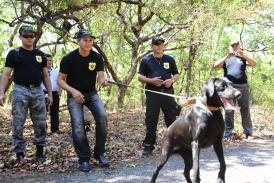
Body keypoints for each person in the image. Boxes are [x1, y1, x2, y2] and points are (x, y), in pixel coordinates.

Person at [57, 29, 111, 172]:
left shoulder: (97, 57)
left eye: (90, 40)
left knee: (103, 118)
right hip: (74, 95)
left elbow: (101, 78)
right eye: (85, 40)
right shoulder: (68, 59)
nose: (88, 43)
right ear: (78, 41)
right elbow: (60, 81)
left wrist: (105, 81)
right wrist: (74, 92)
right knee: (78, 125)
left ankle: (99, 153)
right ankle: (84, 159)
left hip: (91, 94)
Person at [0, 25, 53, 163]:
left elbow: (46, 76)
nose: (29, 38)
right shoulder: (14, 53)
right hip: (20, 90)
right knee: (18, 122)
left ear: (35, 37)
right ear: (20, 37)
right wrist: (1, 93)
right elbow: (6, 74)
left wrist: (50, 94)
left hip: (37, 90)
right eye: (26, 36)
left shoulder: (40, 55)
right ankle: (19, 153)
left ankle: (40, 152)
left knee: (41, 122)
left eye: (31, 36)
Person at [138, 36, 180, 155]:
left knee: (171, 119)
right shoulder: (146, 60)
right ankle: (148, 145)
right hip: (152, 94)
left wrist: (171, 80)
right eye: (156, 44)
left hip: (168, 93)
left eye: (161, 44)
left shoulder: (170, 59)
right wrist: (151, 81)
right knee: (151, 120)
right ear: (152, 46)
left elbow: (176, 74)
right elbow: (140, 77)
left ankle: (174, 144)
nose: (159, 46)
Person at [213, 40, 256, 139]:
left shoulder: (243, 58)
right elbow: (215, 66)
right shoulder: (226, 59)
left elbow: (254, 64)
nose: (234, 47)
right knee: (229, 109)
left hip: (243, 86)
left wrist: (243, 55)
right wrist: (226, 56)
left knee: (245, 108)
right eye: (233, 46)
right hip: (229, 87)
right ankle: (228, 133)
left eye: (236, 45)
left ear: (239, 47)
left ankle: (248, 132)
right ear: (230, 47)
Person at [41, 54, 60, 134]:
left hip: (55, 93)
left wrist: (60, 90)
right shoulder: (40, 71)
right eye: (47, 60)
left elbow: (59, 82)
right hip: (43, 92)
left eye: (50, 60)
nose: (49, 62)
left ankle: (55, 129)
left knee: (55, 111)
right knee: (42, 111)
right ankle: (43, 129)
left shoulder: (56, 71)